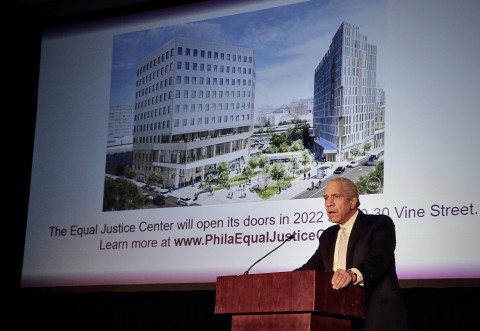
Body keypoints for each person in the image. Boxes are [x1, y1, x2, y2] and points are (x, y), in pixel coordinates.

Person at [295, 177, 412, 331]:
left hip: (378, 316)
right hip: (339, 318)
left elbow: (380, 259)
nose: (328, 203)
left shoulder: (379, 224)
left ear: (353, 201)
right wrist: (280, 282)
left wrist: (352, 274)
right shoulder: (328, 236)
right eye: (325, 198)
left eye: (336, 196)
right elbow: (310, 268)